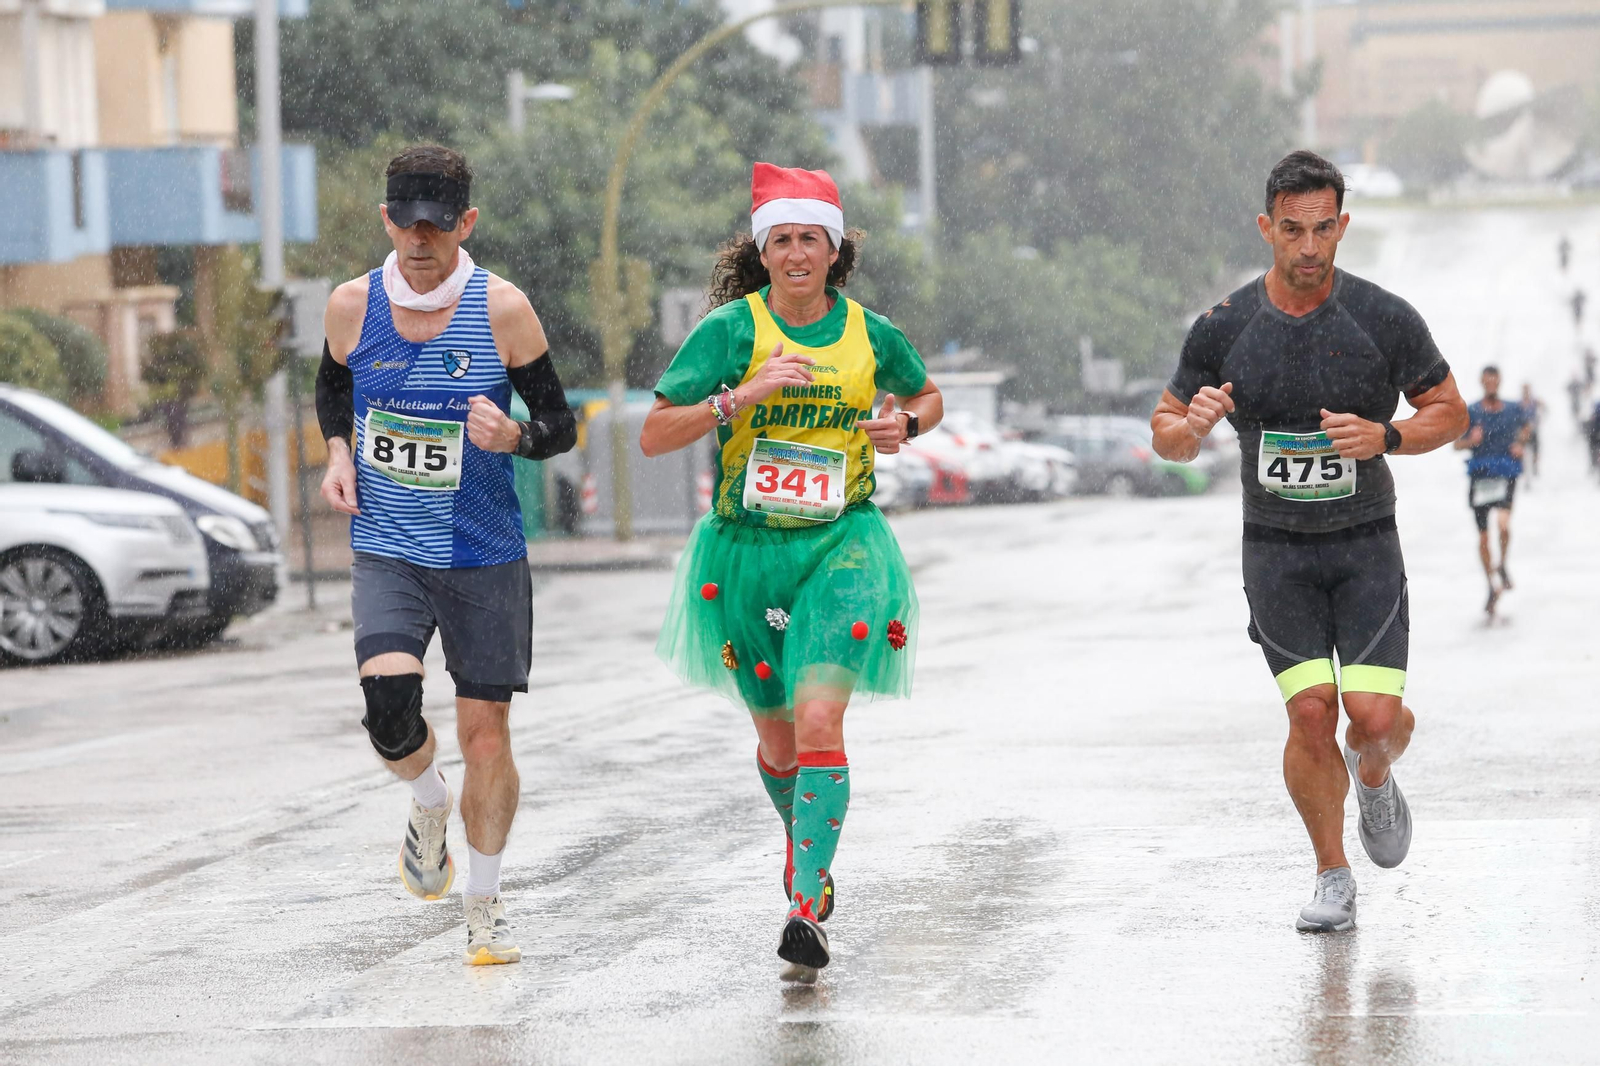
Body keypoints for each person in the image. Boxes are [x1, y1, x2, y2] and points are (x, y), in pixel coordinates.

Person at [1150, 151, 1468, 933]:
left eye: (1323, 229)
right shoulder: (1224, 326)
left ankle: (1377, 769)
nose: (1308, 247)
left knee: (1374, 717)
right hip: (1277, 552)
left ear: (1343, 226)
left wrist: (1387, 434)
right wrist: (1188, 432)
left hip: (1365, 547)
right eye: (1292, 230)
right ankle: (1333, 875)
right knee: (1308, 714)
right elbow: (1164, 429)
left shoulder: (1382, 317)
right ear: (1267, 228)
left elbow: (1450, 412)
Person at [640, 163, 943, 982]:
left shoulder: (871, 333)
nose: (798, 252)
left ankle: (805, 904)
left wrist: (904, 423)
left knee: (817, 726)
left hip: (843, 545)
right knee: (776, 742)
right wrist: (736, 399)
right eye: (783, 240)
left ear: (834, 252)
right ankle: (804, 850)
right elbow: (654, 434)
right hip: (746, 554)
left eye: (812, 238)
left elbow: (926, 395)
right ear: (763, 252)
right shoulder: (730, 334)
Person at [315, 144, 577, 965]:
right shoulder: (352, 305)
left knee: (486, 735)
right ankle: (428, 804)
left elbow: (561, 425)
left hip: (483, 553)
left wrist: (517, 436)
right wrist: (335, 453)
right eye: (405, 222)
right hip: (389, 545)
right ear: (385, 219)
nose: (420, 239)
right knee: (390, 708)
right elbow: (333, 385)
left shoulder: (504, 311)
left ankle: (485, 907)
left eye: (437, 224)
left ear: (466, 223)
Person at [1453, 367, 1530, 615]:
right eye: (1487, 381)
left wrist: (1520, 443)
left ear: (1499, 381)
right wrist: (1471, 440)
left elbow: (1527, 428)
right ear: (1482, 382)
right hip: (1481, 476)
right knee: (1484, 538)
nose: (1491, 385)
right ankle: (1490, 585)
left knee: (1504, 525)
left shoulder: (1512, 408)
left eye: (1494, 381)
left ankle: (1503, 564)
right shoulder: (1472, 411)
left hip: (1506, 472)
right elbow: (1456, 444)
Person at [1519, 382, 1543, 480]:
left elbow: (1543, 408)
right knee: (1523, 449)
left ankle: (1534, 466)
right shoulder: (1520, 403)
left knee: (1535, 450)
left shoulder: (1533, 402)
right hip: (1524, 431)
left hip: (1532, 430)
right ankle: (1524, 467)